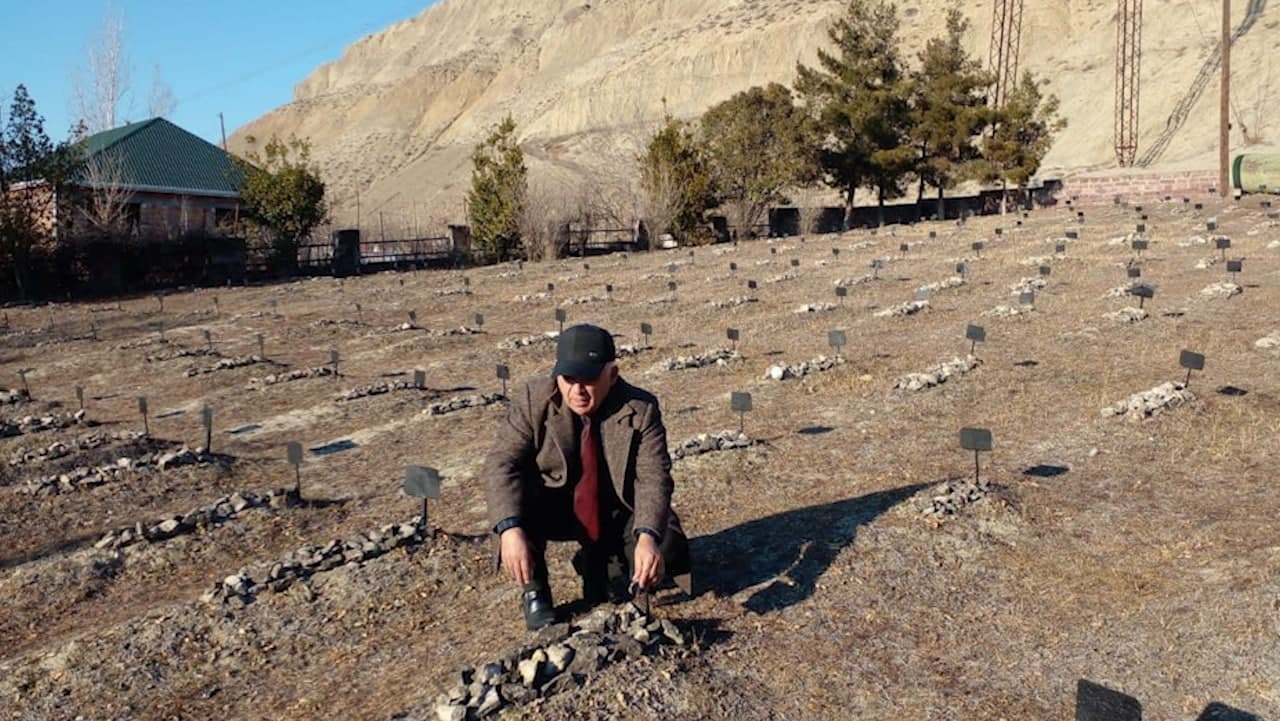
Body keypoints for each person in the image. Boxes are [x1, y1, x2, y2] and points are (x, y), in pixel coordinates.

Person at [483, 324, 691, 630]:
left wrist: (648, 537)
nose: (577, 391)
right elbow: (500, 464)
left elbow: (653, 476)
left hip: (616, 506)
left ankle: (609, 563)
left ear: (612, 374)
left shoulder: (641, 409)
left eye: (589, 380)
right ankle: (535, 591)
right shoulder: (532, 399)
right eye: (568, 379)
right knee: (515, 502)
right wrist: (509, 530)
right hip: (553, 505)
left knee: (667, 545)